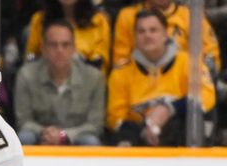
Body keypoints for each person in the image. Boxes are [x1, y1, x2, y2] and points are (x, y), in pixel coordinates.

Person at [107, 9, 216, 146]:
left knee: (194, 119)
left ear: (165, 34)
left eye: (153, 30)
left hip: (180, 134)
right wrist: (143, 130)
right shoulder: (120, 73)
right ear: (134, 38)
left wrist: (169, 109)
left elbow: (206, 96)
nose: (147, 35)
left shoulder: (189, 63)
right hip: (141, 137)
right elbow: (115, 117)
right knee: (124, 135)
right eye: (141, 31)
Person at [15, 19, 105, 145]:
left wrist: (64, 135)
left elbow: (95, 125)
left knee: (91, 141)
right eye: (53, 45)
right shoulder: (26, 75)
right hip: (40, 136)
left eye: (65, 45)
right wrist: (45, 132)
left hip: (77, 137)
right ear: (43, 48)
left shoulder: (94, 78)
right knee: (24, 137)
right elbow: (23, 121)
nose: (59, 50)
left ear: (74, 48)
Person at [113, 0, 221, 76]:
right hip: (140, 84)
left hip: (184, 83)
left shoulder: (191, 16)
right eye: (142, 31)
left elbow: (211, 57)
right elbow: (120, 62)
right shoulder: (127, 16)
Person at [24, 0, 112, 73]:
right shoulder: (39, 20)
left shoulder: (99, 22)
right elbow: (30, 59)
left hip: (86, 84)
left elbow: (100, 68)